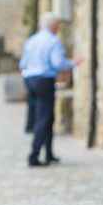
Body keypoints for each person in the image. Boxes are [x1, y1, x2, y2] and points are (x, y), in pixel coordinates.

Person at [19, 12, 81, 167]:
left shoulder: (32, 40)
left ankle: (49, 153)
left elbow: (23, 64)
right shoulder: (53, 41)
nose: (59, 28)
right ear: (54, 26)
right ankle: (34, 156)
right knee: (44, 118)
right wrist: (74, 62)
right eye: (58, 25)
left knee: (46, 116)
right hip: (44, 81)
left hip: (30, 80)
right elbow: (58, 64)